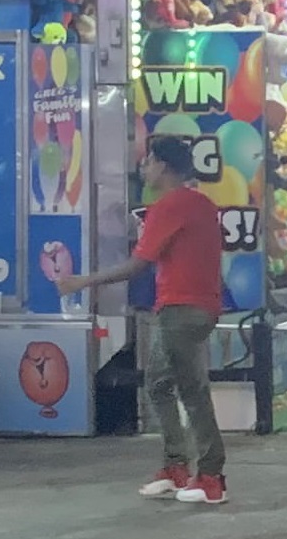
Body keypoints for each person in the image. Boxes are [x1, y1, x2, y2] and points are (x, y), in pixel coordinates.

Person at [52, 136, 230, 507]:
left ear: (164, 166)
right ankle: (176, 465)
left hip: (181, 308)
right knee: (160, 384)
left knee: (191, 391)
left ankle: (211, 476)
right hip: (195, 306)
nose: (143, 167)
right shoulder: (200, 204)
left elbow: (138, 265)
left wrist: (82, 281)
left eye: (148, 160)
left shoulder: (169, 206)